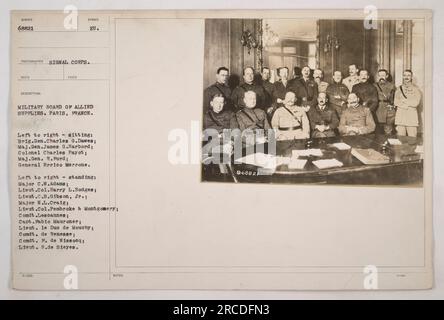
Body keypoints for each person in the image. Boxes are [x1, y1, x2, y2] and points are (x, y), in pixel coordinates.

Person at [394, 70, 422, 137]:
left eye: (408, 75)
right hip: (400, 116)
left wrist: (404, 101)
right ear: (403, 77)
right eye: (405, 75)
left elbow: (416, 103)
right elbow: (396, 102)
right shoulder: (399, 89)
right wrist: (407, 105)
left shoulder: (416, 89)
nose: (406, 77)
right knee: (400, 139)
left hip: (411, 117)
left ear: (411, 77)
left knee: (412, 139)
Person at [374, 69, 396, 134]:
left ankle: (388, 143)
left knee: (388, 130)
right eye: (380, 75)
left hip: (388, 110)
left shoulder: (392, 86)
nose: (381, 77)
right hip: (377, 108)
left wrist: (393, 106)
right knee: (378, 130)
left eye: (383, 75)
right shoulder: (374, 85)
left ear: (386, 76)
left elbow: (395, 98)